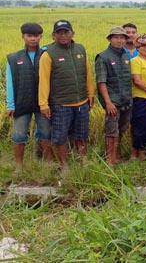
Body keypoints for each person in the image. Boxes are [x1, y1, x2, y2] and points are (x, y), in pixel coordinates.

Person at [39, 20, 95, 170]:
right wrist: (43, 104)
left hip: (81, 102)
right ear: (53, 36)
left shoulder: (80, 49)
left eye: (66, 32)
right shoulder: (48, 54)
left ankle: (83, 161)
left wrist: (90, 93)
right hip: (60, 104)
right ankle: (64, 166)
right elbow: (43, 81)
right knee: (60, 137)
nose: (63, 35)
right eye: (59, 33)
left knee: (81, 134)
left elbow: (88, 74)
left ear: (72, 33)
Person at [6, 23, 52, 175]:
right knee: (19, 135)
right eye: (29, 36)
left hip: (42, 102)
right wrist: (10, 104)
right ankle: (19, 166)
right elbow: (10, 82)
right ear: (23, 36)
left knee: (45, 132)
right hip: (22, 102)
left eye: (36, 36)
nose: (33, 39)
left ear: (41, 37)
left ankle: (49, 164)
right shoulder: (14, 58)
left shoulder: (47, 54)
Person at [95, 27, 132, 165]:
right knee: (111, 130)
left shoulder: (125, 55)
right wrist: (108, 102)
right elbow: (101, 81)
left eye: (122, 37)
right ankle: (110, 159)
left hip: (126, 100)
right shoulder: (103, 57)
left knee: (121, 129)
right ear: (110, 39)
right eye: (116, 37)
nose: (119, 40)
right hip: (113, 101)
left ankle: (117, 155)